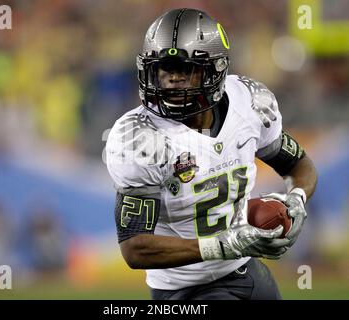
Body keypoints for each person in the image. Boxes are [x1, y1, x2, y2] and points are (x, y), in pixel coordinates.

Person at [105, 8, 317, 300]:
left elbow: (299, 165)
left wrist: (297, 199)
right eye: (165, 69)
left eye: (185, 69)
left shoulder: (249, 103)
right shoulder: (140, 137)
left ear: (214, 70)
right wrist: (222, 245)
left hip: (248, 271)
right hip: (185, 289)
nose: (172, 80)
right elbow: (135, 247)